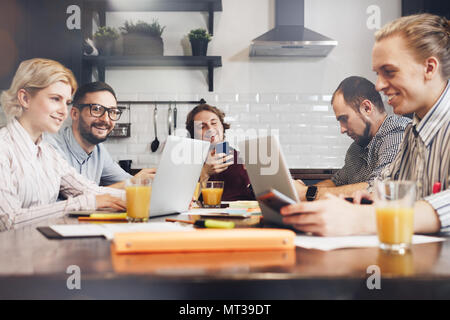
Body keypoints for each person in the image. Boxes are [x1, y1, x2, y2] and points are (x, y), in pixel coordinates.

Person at [281, 13, 449, 236]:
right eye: (378, 74)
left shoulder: (403, 130)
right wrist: (371, 199)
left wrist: (365, 219)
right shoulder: (412, 132)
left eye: (389, 72)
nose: (379, 85)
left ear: (429, 68)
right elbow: (383, 186)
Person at [0, 58, 126, 231]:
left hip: (42, 251)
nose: (64, 111)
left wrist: (143, 197)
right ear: (25, 98)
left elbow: (88, 190)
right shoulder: (3, 148)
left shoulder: (48, 152)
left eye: (66, 102)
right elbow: (9, 221)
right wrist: (84, 203)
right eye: (55, 99)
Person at [295, 76, 410, 201]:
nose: (342, 129)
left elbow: (377, 188)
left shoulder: (397, 133)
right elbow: (337, 182)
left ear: (367, 108)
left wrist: (307, 193)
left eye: (344, 119)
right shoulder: (355, 148)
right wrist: (298, 191)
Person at [46, 81, 155, 189]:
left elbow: (126, 181)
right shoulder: (51, 146)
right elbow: (81, 195)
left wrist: (142, 181)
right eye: (97, 109)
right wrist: (133, 182)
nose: (106, 120)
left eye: (112, 111)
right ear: (75, 114)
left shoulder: (99, 151)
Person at [185, 103, 255, 201]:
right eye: (202, 126)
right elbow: (183, 202)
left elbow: (261, 200)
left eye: (214, 123)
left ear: (222, 126)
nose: (210, 129)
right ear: (193, 133)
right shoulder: (186, 163)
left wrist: (256, 179)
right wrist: (204, 173)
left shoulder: (241, 158)